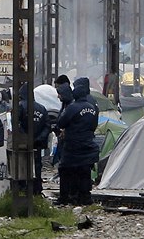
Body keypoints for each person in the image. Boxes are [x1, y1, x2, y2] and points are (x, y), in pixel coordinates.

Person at [55, 78, 99, 206]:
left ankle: (65, 197)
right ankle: (85, 197)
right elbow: (94, 126)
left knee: (64, 170)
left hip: (72, 145)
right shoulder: (92, 108)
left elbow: (61, 123)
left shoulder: (73, 108)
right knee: (84, 172)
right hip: (87, 144)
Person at [18, 83, 51, 195]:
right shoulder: (42, 108)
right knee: (36, 166)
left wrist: (24, 138)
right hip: (37, 144)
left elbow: (15, 124)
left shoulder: (20, 106)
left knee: (22, 166)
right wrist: (39, 138)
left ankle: (23, 189)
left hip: (22, 144)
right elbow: (47, 126)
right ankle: (36, 189)